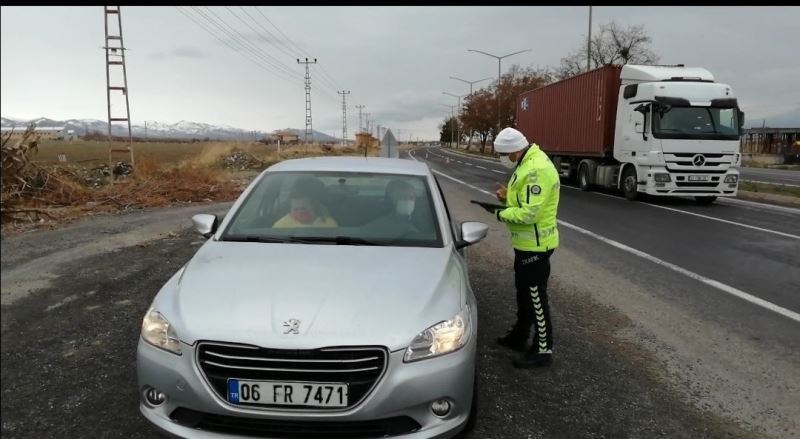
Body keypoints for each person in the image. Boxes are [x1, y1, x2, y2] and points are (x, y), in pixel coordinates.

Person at [490, 127, 561, 368]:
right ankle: (520, 336)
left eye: (502, 154)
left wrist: (500, 214)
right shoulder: (526, 163)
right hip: (525, 243)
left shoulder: (536, 170)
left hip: (536, 246)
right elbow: (525, 200)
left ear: (514, 151)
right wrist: (507, 197)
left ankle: (543, 350)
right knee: (523, 293)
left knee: (535, 298)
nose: (501, 158)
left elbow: (530, 213)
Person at [272, 177, 338, 228]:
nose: (300, 213)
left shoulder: (328, 224)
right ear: (290, 209)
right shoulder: (280, 225)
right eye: (295, 209)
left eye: (304, 208)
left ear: (313, 206)